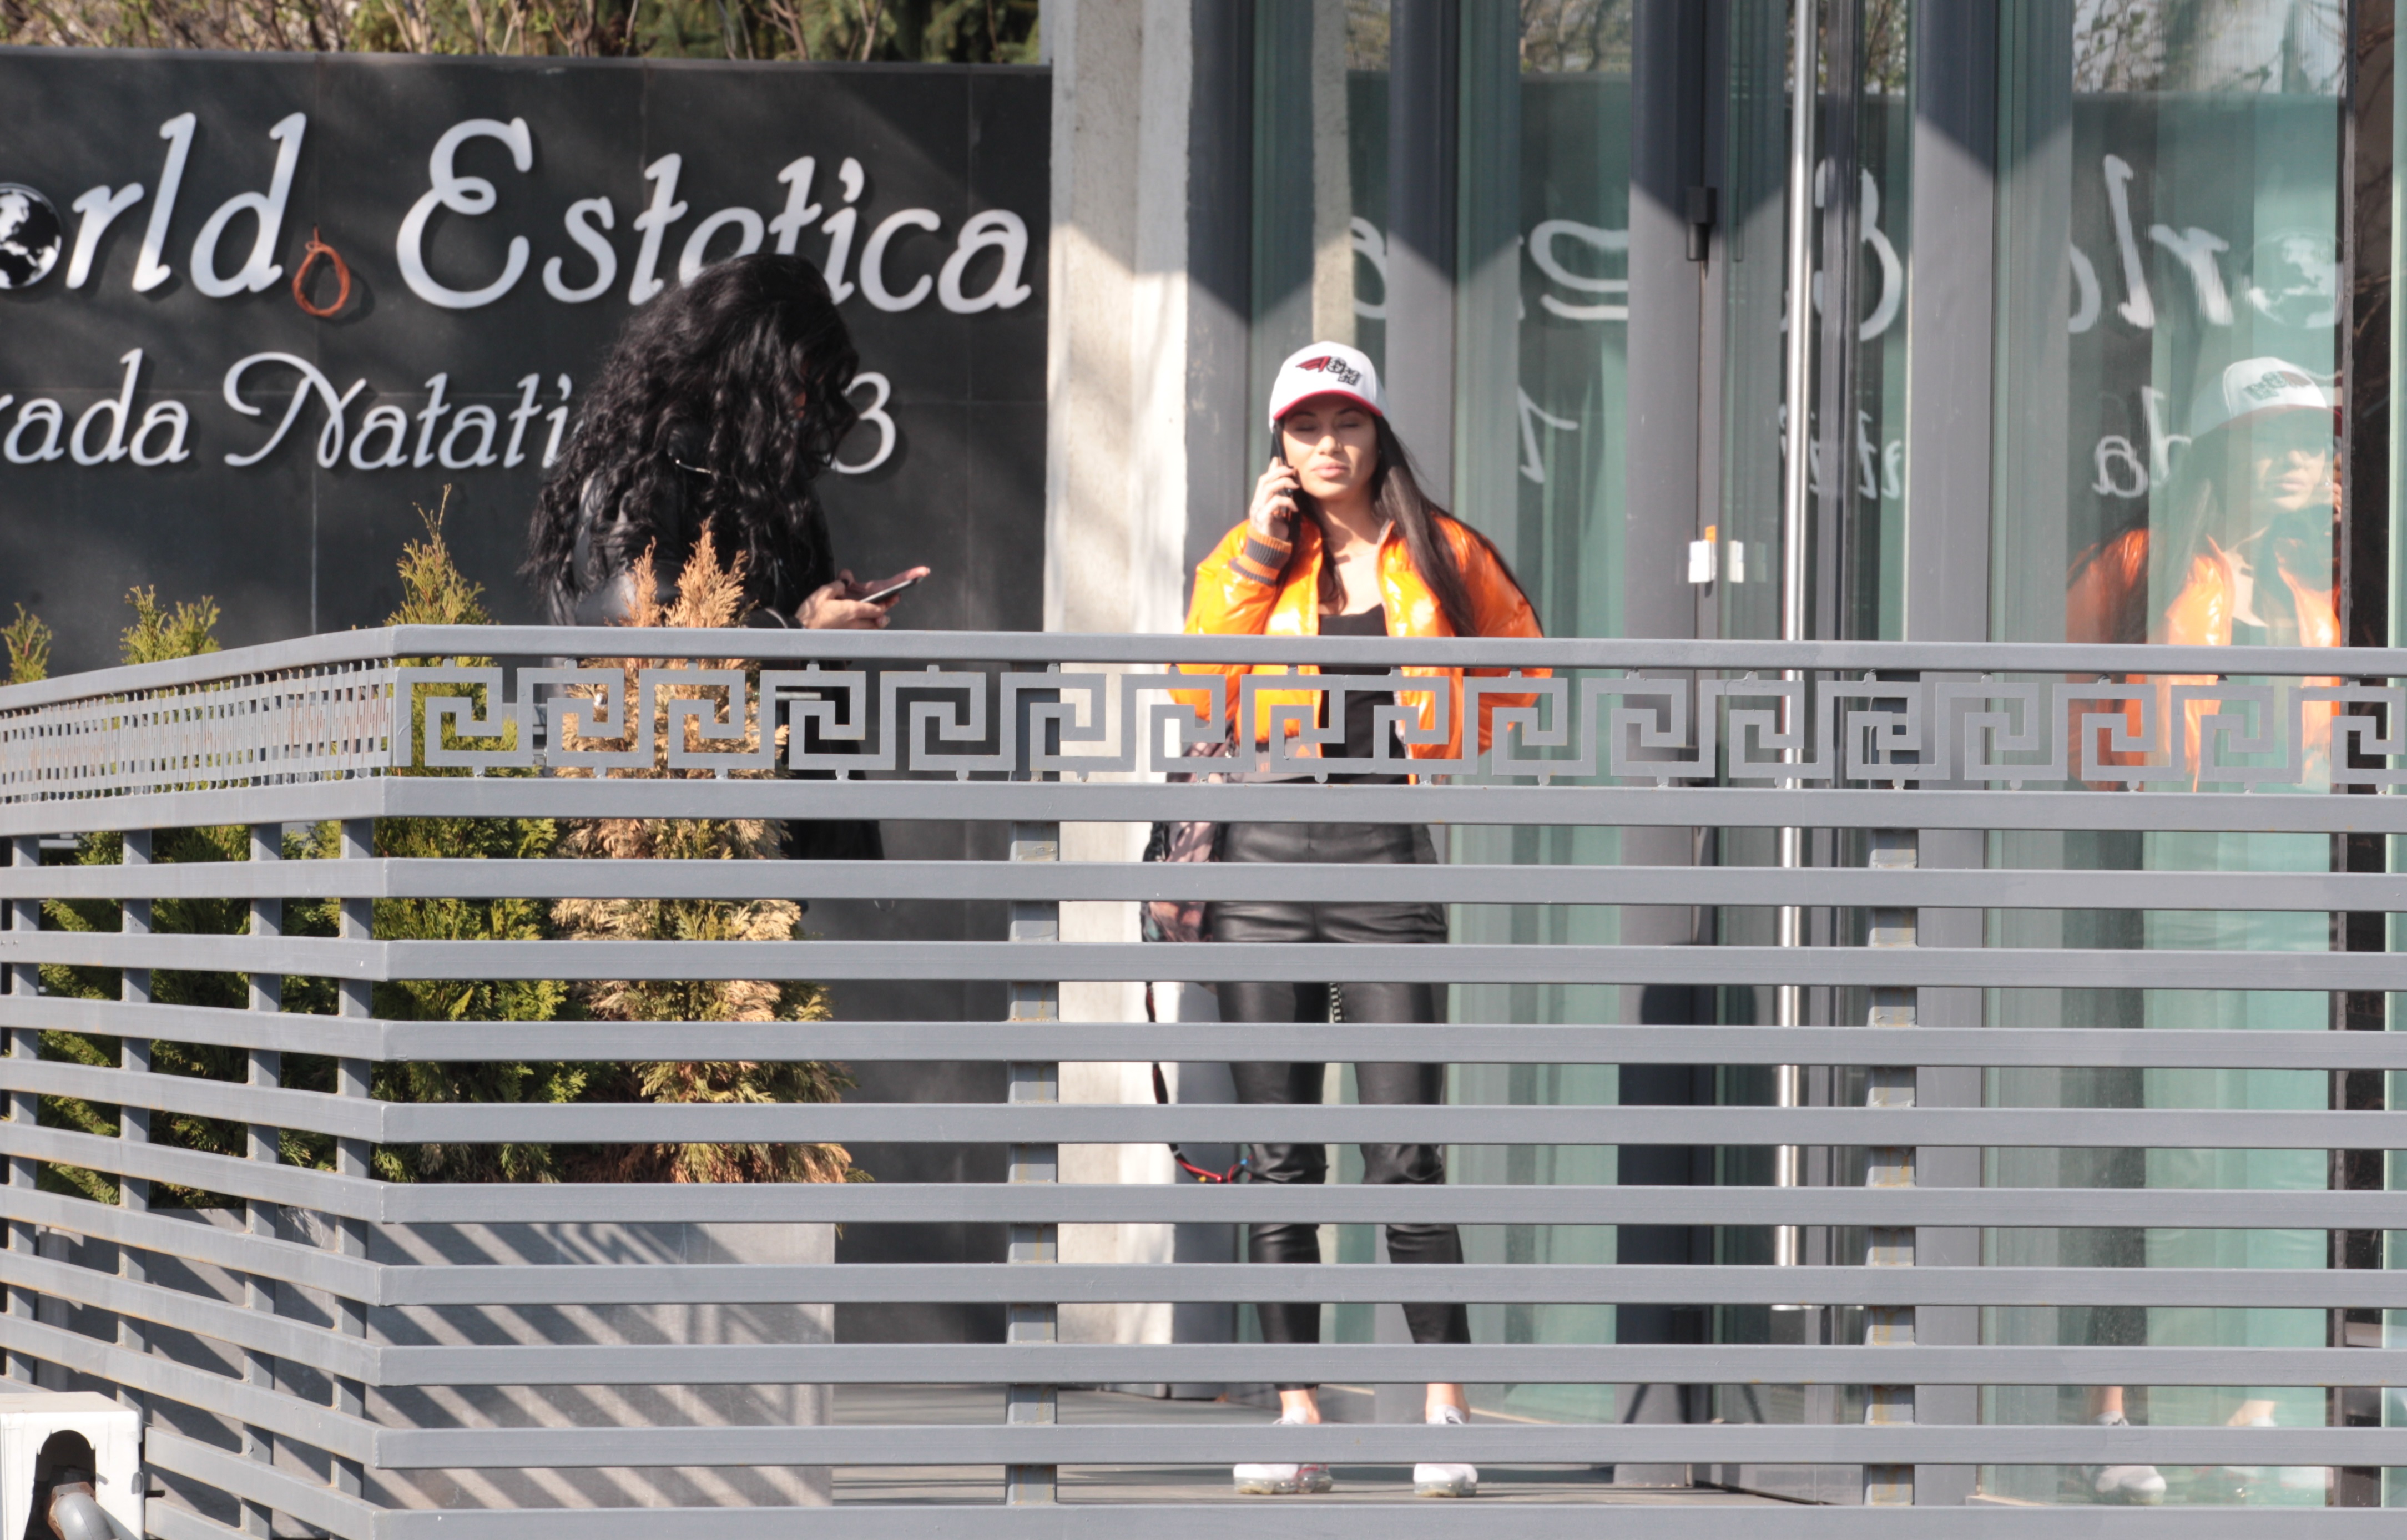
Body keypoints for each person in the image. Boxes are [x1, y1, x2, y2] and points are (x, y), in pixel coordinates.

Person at [1179, 341, 1542, 1499]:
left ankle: (1444, 1408)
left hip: (1385, 857)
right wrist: (1256, 550)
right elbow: (1196, 688)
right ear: (1279, 445)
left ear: (1378, 434)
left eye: (1346, 423)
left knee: (1405, 1154)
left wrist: (1438, 745)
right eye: (1305, 427)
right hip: (1259, 865)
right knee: (1279, 1161)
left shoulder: (1442, 550)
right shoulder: (1247, 557)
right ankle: (1296, 1414)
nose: (1327, 445)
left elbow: (1526, 670)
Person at [524, 253, 925, 860]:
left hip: (743, 810)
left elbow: (755, 623)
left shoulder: (758, 474)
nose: (803, 405)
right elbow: (638, 612)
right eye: (797, 381)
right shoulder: (653, 458)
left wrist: (825, 614)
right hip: (647, 818)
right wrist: (796, 632)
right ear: (748, 367)